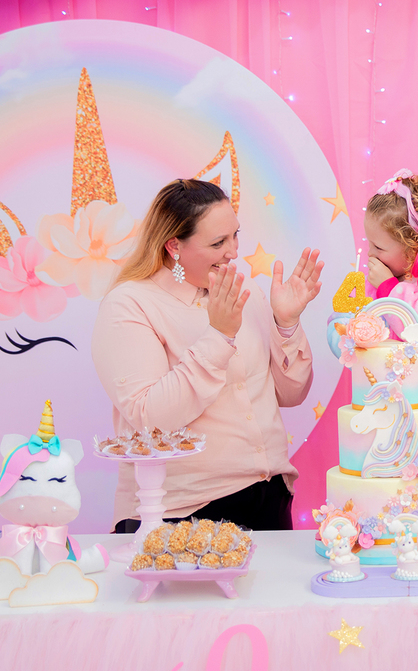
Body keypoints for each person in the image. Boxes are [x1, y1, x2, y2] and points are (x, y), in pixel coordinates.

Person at [91, 179, 323, 532]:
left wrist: (286, 324)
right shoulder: (131, 304)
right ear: (174, 247)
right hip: (179, 513)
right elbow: (150, 421)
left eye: (235, 236)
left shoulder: (243, 291)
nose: (233, 251)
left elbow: (291, 395)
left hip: (269, 496)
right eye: (217, 242)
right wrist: (219, 336)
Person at [328, 169, 418, 444]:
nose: (370, 254)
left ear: (413, 247)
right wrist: (352, 338)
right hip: (376, 421)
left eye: (378, 247)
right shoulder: (370, 284)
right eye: (368, 243)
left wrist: (390, 290)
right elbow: (339, 325)